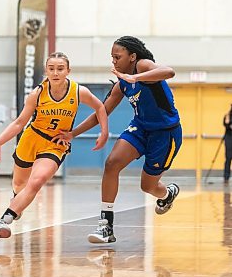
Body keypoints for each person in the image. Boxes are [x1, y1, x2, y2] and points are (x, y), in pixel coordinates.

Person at [54, 36, 182, 244]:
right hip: (140, 128)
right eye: (112, 57)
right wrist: (73, 133)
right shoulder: (122, 83)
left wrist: (137, 78)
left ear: (132, 57)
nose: (113, 61)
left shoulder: (142, 66)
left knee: (148, 187)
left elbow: (169, 72)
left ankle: (167, 193)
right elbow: (101, 112)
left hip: (165, 133)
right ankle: (106, 226)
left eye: (117, 57)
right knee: (112, 163)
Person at [0, 51, 108, 239]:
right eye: (51, 69)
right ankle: (17, 202)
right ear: (46, 71)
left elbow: (100, 107)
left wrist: (104, 132)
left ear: (68, 71)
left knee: (36, 181)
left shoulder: (79, 92)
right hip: (31, 138)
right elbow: (20, 123)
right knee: (19, 184)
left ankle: (4, 220)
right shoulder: (37, 94)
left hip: (55, 144)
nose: (55, 73)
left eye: (60, 69)